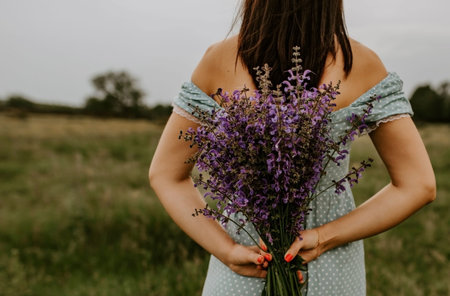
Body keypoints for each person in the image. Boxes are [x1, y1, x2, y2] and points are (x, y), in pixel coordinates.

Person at [149, 1, 436, 295]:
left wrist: (230, 252)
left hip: (247, 265)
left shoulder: (219, 60)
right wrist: (324, 237)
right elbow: (418, 184)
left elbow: (166, 175)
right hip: (328, 270)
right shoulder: (360, 63)